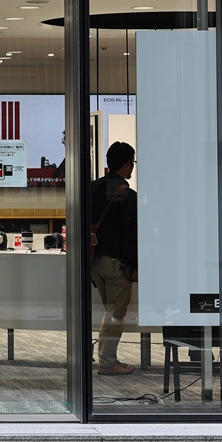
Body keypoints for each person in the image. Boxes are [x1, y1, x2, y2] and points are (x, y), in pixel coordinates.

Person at [90, 141, 138, 376]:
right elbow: (132, 234)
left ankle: (106, 358)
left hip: (94, 261)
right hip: (117, 263)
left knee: (109, 312)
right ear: (128, 163)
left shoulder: (91, 188)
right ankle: (108, 362)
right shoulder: (128, 196)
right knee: (115, 314)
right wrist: (135, 265)